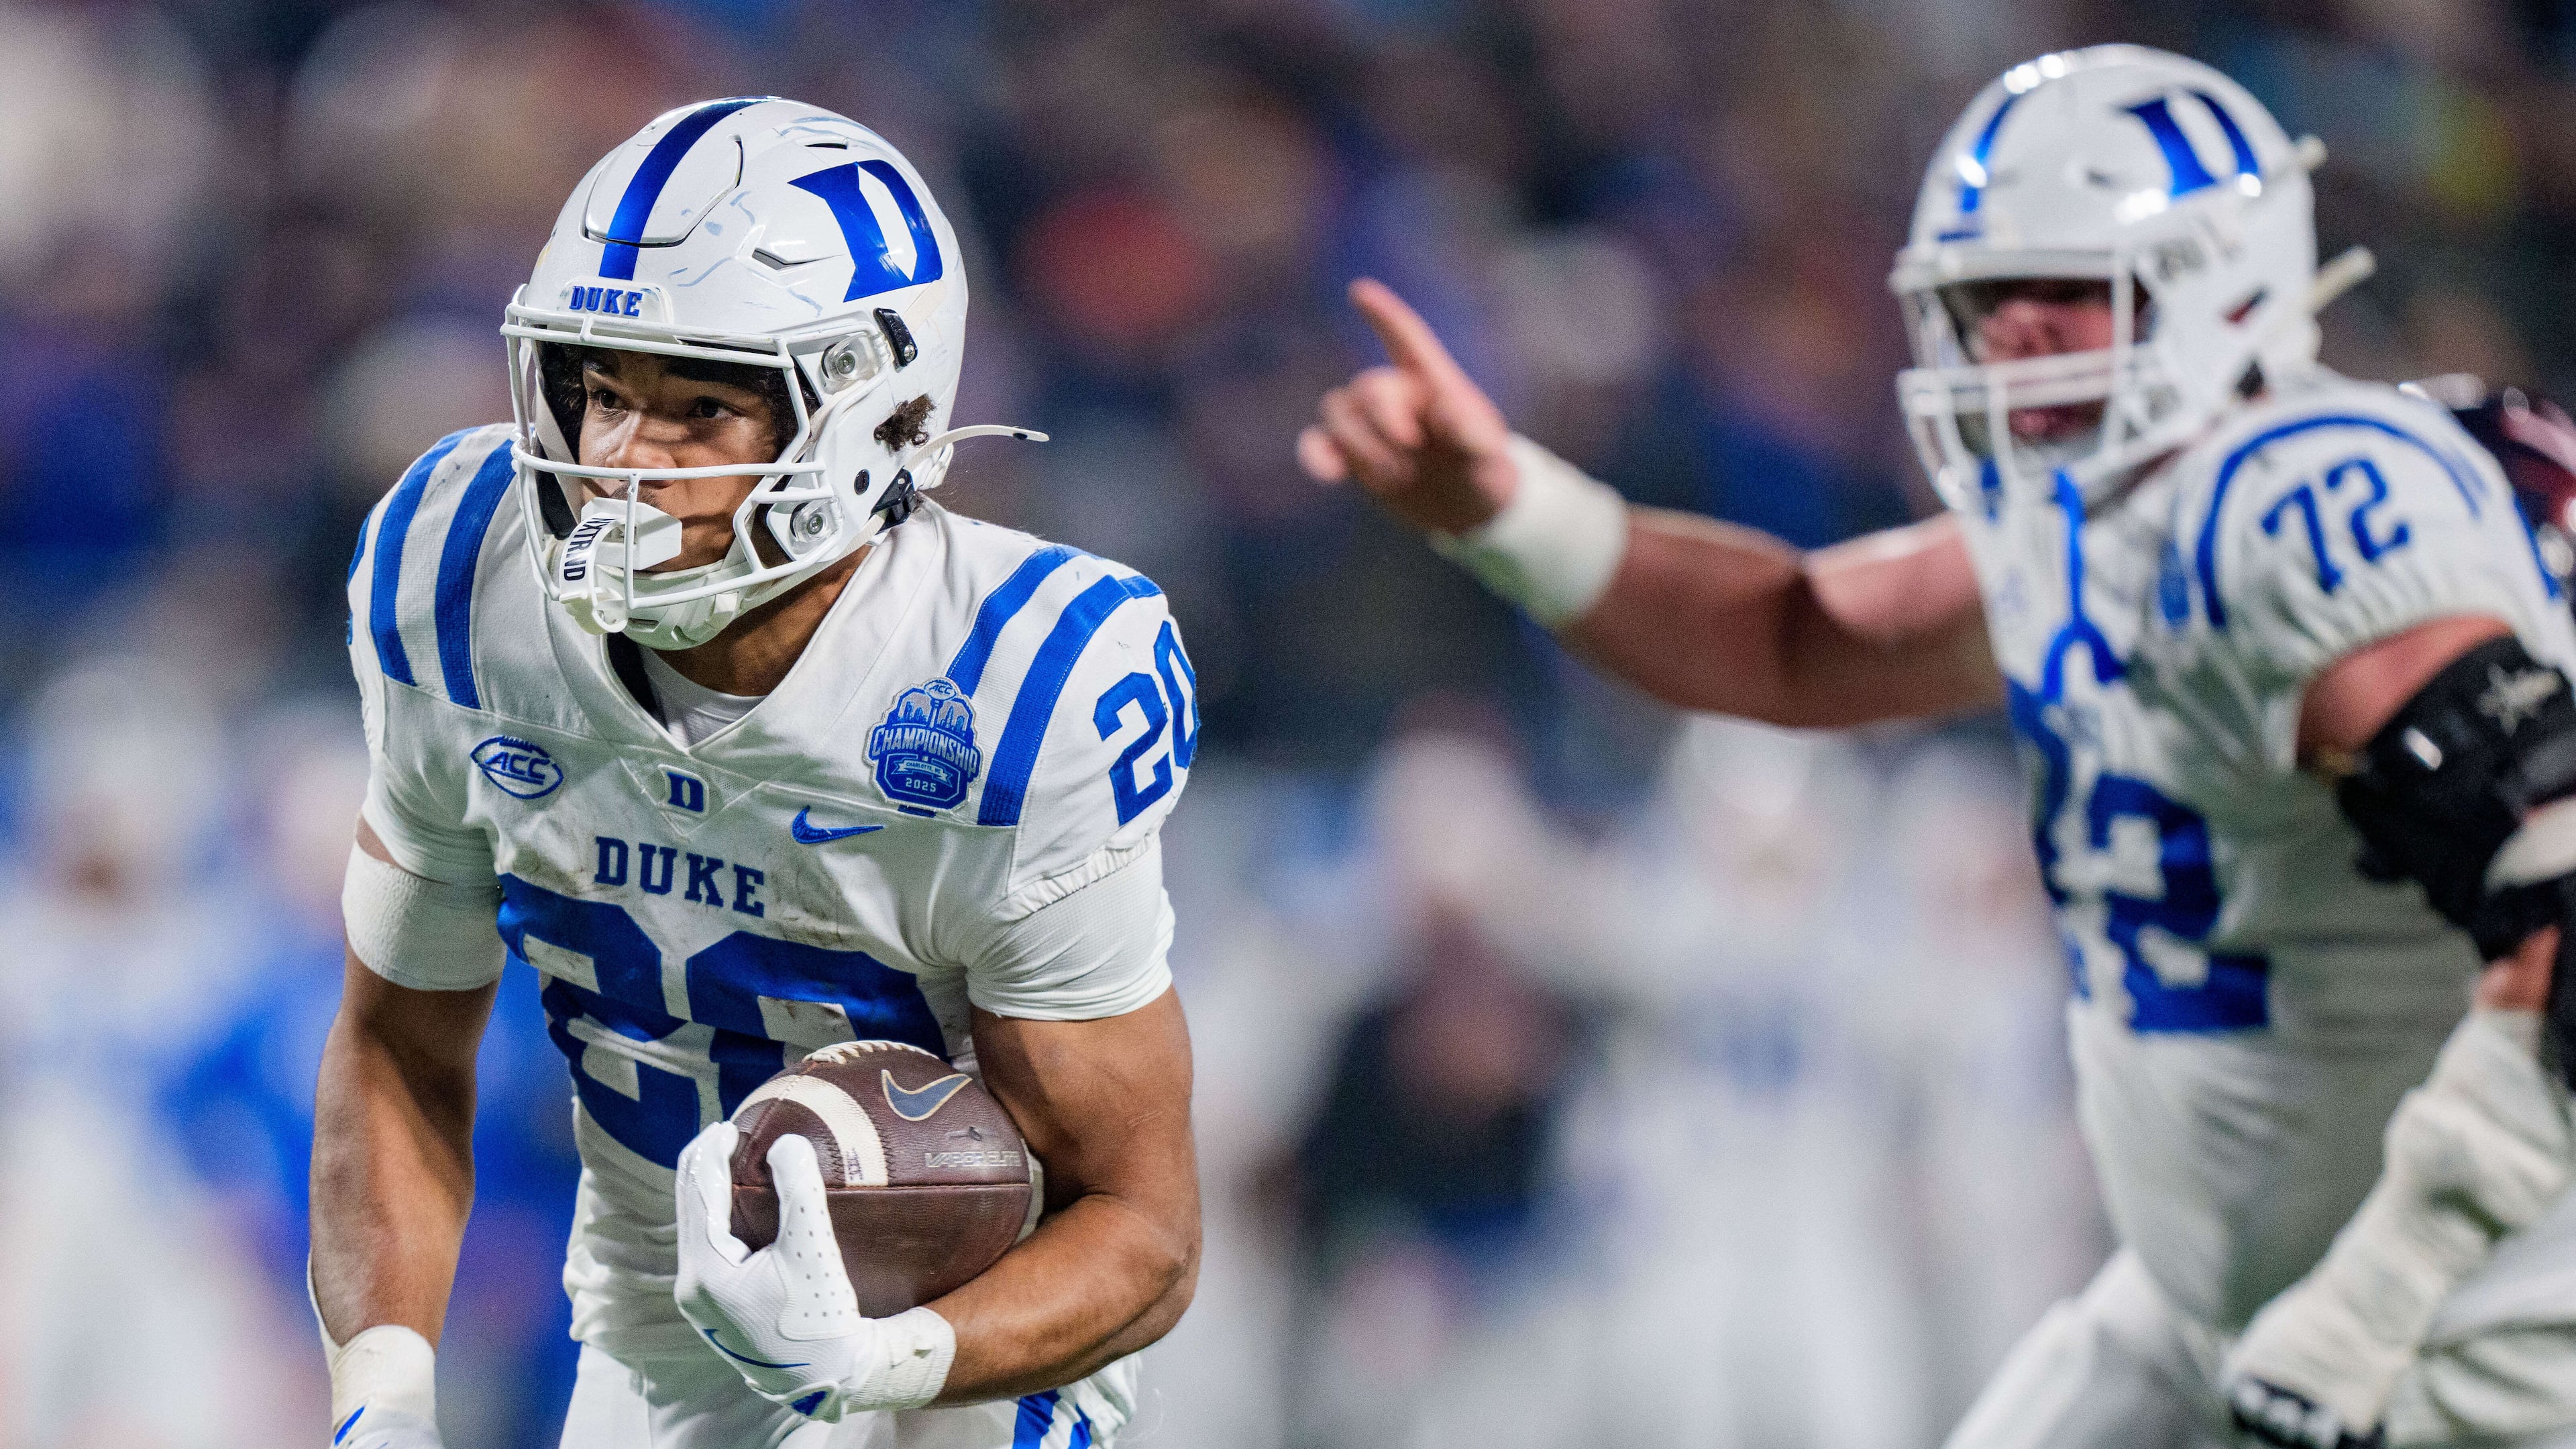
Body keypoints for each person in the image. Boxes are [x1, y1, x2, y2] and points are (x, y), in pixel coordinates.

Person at [1299, 45, 2576, 1449]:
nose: (2014, 337)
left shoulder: (2301, 514)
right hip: (2212, 1299)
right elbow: (1788, 641)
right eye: (1987, 300)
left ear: (2228, 285)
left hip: (2448, 1335)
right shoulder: (2118, 523)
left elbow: (2561, 898)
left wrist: (2381, 1295)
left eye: (2066, 295)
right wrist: (1510, 509)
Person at [311, 97, 1203, 1449]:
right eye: (601, 389)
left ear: (874, 416)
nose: (618, 459)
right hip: (670, 1327)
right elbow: (397, 1044)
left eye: (699, 407)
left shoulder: (1020, 682)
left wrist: (879, 1357)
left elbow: (1142, 1226)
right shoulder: (459, 574)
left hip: (967, 1321)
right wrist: (382, 1396)